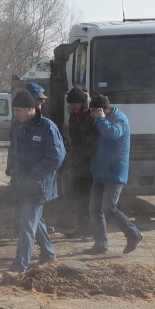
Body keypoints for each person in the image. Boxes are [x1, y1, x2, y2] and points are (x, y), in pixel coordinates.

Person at [6, 91, 66, 273]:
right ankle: (48, 253)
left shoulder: (47, 128)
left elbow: (56, 157)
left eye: (18, 110)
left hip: (38, 186)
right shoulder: (19, 125)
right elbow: (13, 149)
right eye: (14, 110)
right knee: (35, 221)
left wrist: (34, 174)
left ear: (30, 109)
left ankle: (20, 266)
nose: (15, 114)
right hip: (22, 184)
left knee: (27, 224)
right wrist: (11, 169)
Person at [86, 94, 143, 254]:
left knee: (109, 208)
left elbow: (112, 134)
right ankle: (101, 245)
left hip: (114, 172)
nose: (91, 114)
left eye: (93, 111)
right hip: (100, 170)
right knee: (94, 208)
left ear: (101, 110)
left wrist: (101, 119)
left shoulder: (120, 119)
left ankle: (134, 233)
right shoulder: (99, 120)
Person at [64, 88, 98, 240]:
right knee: (79, 197)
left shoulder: (91, 114)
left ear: (82, 102)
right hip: (78, 160)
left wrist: (88, 153)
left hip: (90, 161)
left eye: (75, 103)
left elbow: (94, 138)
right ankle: (81, 228)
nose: (73, 106)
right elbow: (74, 137)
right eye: (71, 104)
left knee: (89, 198)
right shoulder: (73, 115)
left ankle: (90, 231)